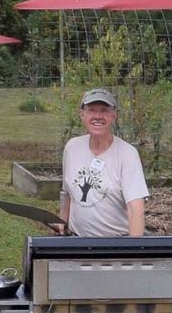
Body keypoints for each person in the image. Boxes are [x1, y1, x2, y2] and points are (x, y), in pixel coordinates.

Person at [58, 88, 148, 237]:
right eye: (91, 110)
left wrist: (134, 248)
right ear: (82, 114)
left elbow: (136, 208)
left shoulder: (127, 154)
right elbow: (67, 192)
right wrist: (62, 220)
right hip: (76, 241)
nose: (98, 116)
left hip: (114, 243)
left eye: (104, 111)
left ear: (114, 115)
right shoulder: (72, 148)